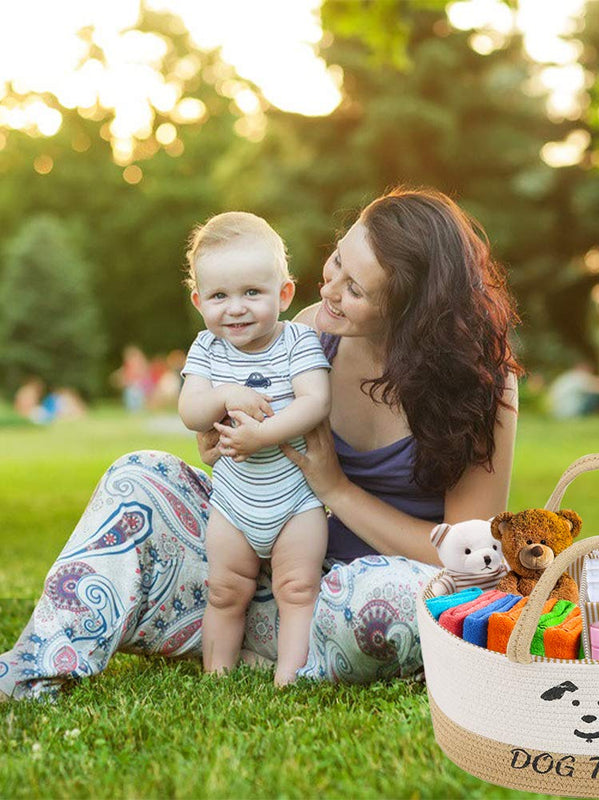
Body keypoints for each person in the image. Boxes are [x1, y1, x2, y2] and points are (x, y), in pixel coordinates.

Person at [0, 188, 522, 702]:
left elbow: (472, 564)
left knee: (380, 601)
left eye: (356, 290)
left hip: (371, 593)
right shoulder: (311, 335)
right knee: (139, 476)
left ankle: (253, 642)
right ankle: (32, 671)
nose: (330, 287)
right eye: (337, 260)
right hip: (279, 577)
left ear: (412, 311)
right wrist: (226, 441)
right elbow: (243, 432)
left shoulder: (483, 387)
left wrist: (336, 491)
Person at [178, 212, 331, 685]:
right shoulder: (207, 349)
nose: (236, 308)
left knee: (299, 589)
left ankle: (290, 676)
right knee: (224, 591)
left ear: (283, 294)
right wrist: (225, 396)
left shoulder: (297, 342)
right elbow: (191, 411)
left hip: (295, 500)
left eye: (252, 293)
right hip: (234, 502)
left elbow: (316, 400)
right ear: (199, 301)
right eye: (220, 296)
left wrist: (263, 434)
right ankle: (217, 675)